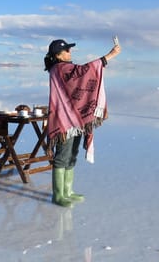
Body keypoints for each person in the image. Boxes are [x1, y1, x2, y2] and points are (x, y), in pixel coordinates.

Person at [44, 39, 121, 207]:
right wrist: (110, 56)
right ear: (58, 54)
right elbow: (83, 72)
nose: (70, 53)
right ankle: (58, 195)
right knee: (62, 157)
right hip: (64, 122)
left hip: (76, 120)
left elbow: (80, 76)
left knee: (72, 155)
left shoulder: (65, 68)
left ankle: (68, 191)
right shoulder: (58, 69)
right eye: (67, 51)